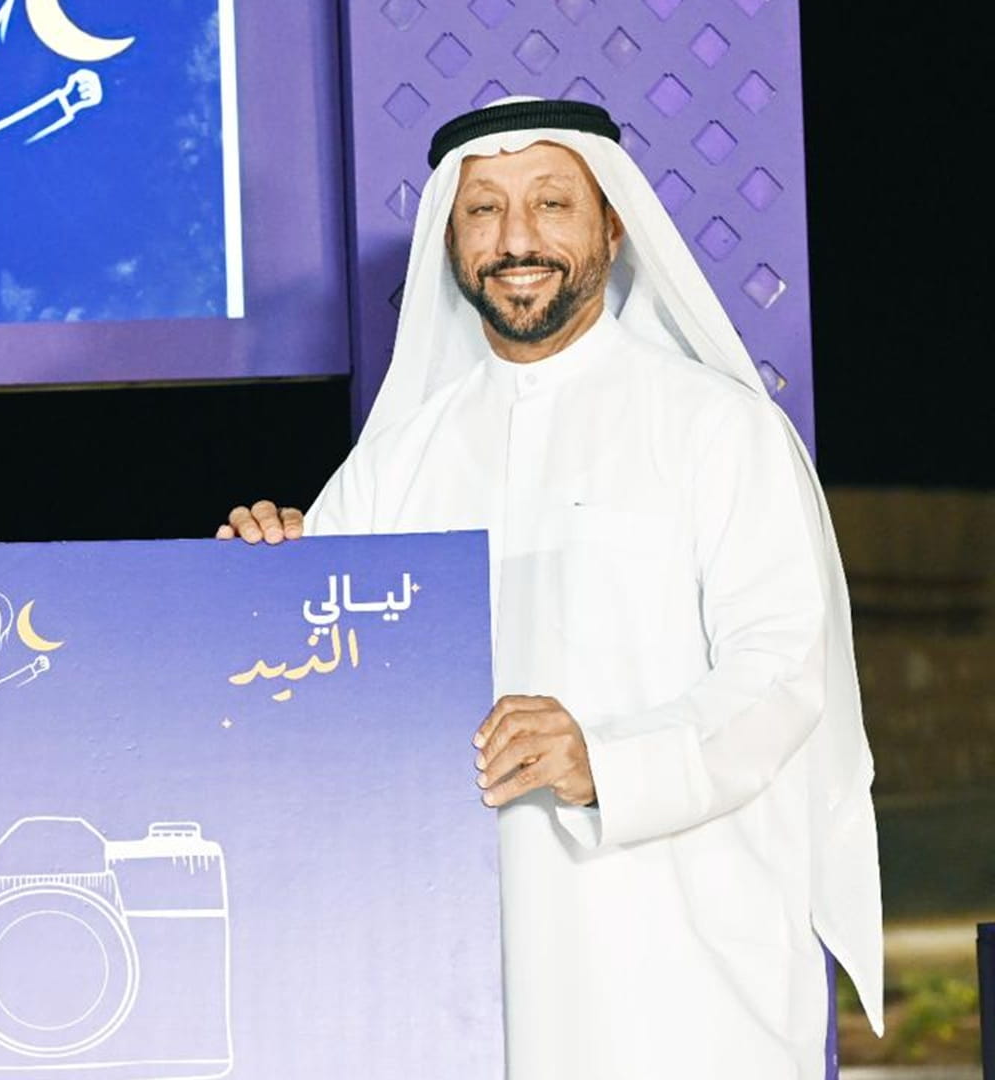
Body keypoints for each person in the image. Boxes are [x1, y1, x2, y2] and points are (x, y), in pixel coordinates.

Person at [222, 98, 881, 1077]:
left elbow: (782, 675)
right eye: (484, 210)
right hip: (461, 977)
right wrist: (268, 571)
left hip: (678, 968)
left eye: (551, 204)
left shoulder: (717, 429)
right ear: (452, 240)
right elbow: (315, 694)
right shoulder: (395, 464)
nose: (516, 240)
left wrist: (605, 761)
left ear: (612, 227)